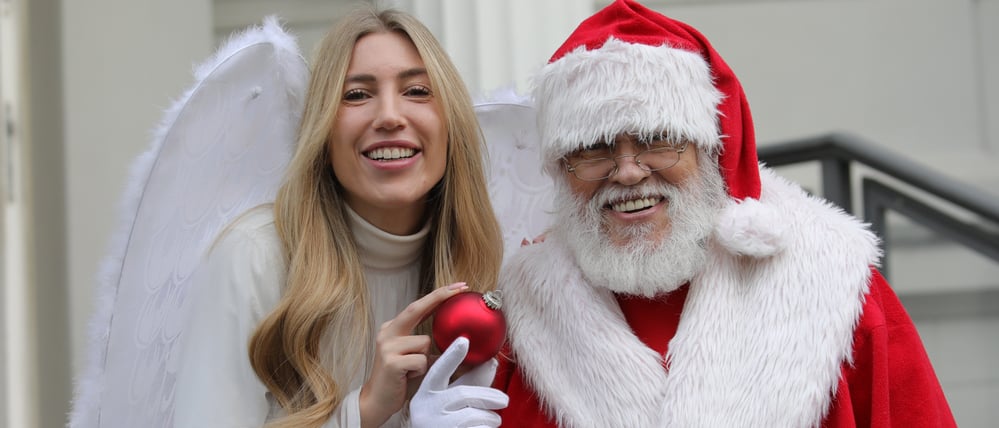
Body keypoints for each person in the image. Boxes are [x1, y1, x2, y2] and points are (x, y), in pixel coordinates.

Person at [493, 1, 956, 427]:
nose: (629, 172)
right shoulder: (519, 319)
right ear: (562, 169)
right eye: (593, 149)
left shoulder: (834, 289)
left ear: (713, 152)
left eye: (658, 139)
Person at [172, 6, 508, 428]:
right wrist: (361, 411)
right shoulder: (255, 257)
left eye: (418, 91)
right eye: (357, 94)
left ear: (450, 125)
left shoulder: (484, 268)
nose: (389, 116)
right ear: (323, 132)